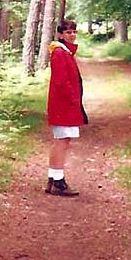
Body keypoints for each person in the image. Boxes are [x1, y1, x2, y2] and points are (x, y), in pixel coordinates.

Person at [45, 19, 87, 197]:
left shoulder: (65, 52)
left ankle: (53, 179)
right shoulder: (59, 53)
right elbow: (62, 81)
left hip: (66, 104)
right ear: (60, 34)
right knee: (61, 141)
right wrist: (73, 98)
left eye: (74, 32)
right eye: (68, 32)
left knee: (63, 140)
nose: (72, 35)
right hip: (63, 105)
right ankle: (58, 182)